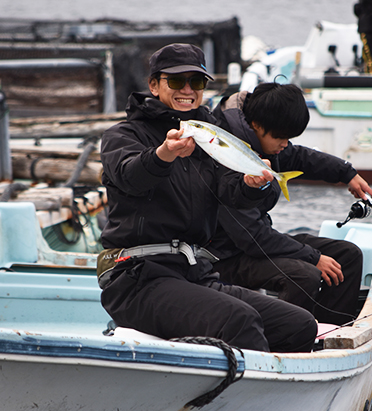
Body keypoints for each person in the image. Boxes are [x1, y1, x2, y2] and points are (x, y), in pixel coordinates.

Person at [98, 44, 317, 353]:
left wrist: (253, 186)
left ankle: (290, 395)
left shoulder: (210, 137)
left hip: (196, 273)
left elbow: (232, 192)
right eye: (176, 81)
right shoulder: (123, 135)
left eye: (196, 82)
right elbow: (129, 176)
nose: (187, 89)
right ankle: (249, 397)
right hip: (137, 279)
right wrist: (164, 154)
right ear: (153, 85)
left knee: (300, 324)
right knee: (239, 319)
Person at [207, 83, 372, 325]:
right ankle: (283, 343)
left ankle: (328, 333)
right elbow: (254, 238)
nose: (285, 143)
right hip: (224, 257)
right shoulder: (228, 154)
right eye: (280, 137)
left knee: (347, 256)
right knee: (304, 275)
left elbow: (299, 157)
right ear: (256, 125)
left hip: (249, 248)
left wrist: (346, 173)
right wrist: (313, 257)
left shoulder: (260, 139)